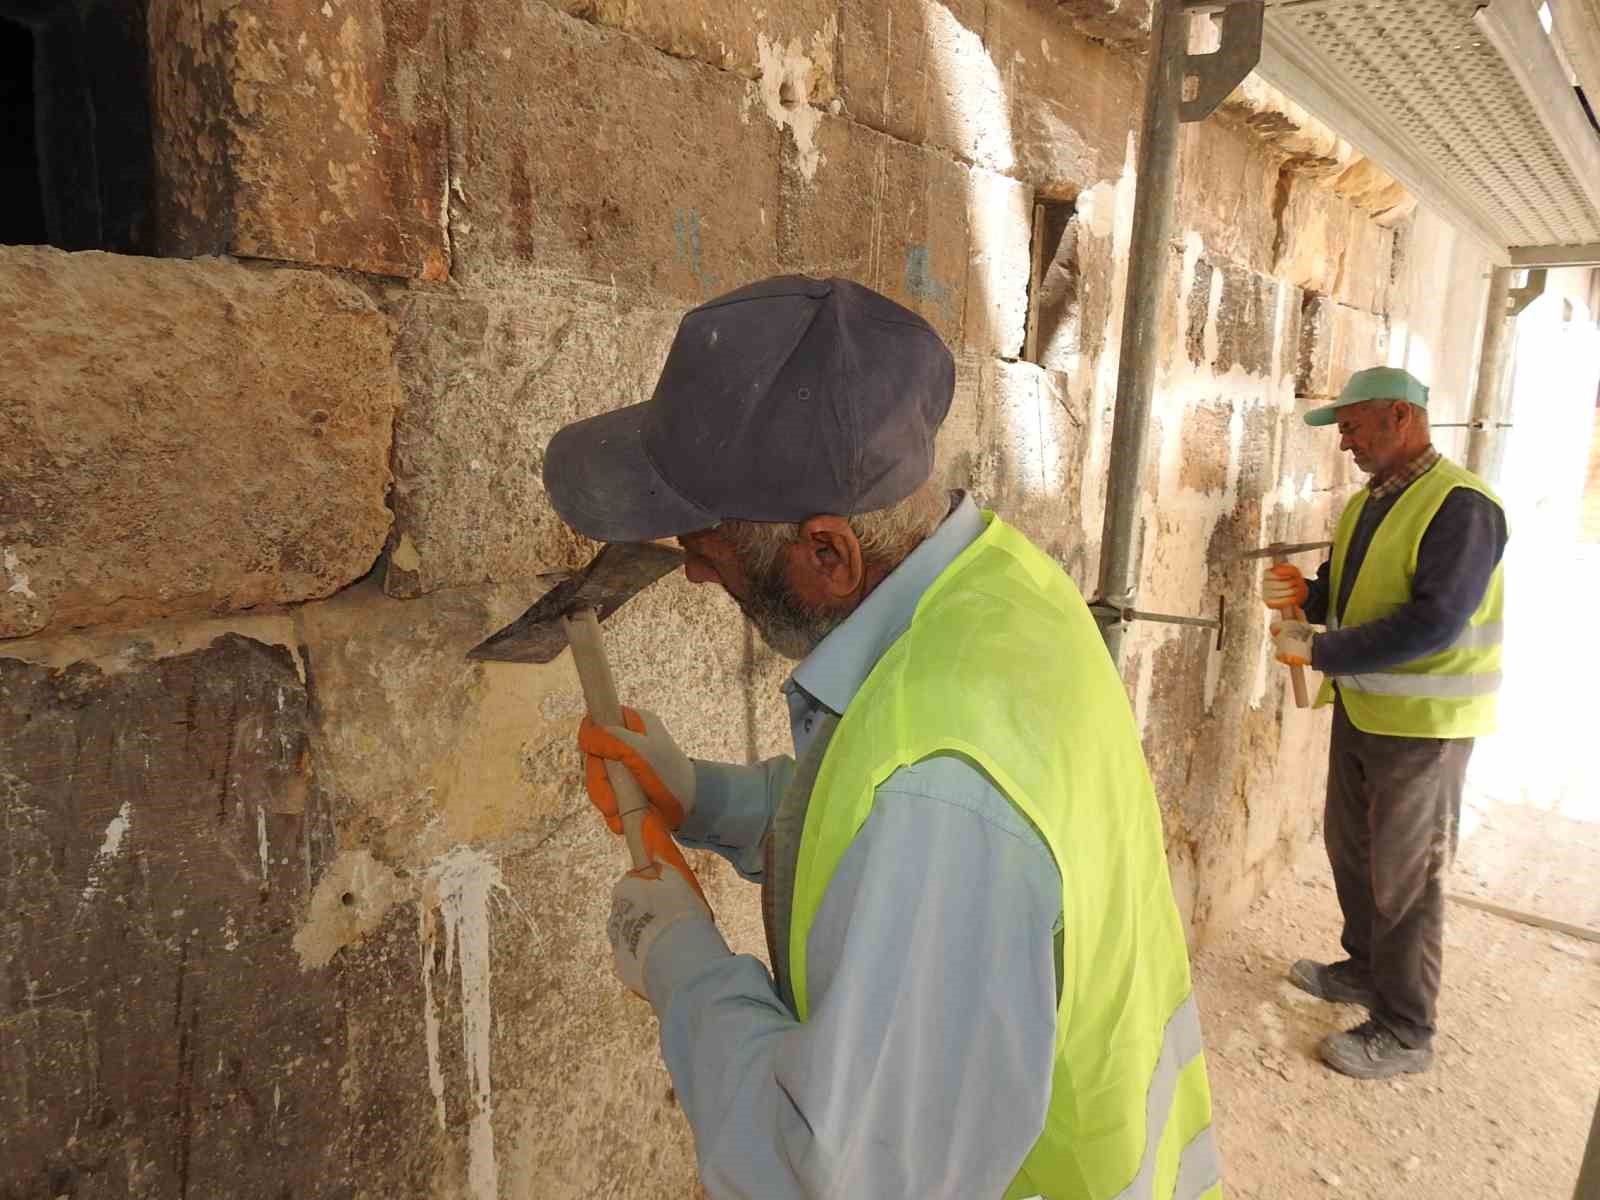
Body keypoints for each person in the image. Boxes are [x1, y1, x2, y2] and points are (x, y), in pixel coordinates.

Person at [542, 275, 1221, 1199]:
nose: (697, 575)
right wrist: (709, 800)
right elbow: (873, 839)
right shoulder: (1001, 585)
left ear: (828, 554)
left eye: (705, 545)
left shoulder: (939, 792)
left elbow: (835, 1173)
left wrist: (682, 963)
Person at [1263, 366, 1508, 1081]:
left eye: (1353, 425)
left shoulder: (1463, 507)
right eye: (1342, 429)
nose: (1344, 442)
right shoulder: (1370, 502)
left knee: (1405, 876)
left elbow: (1436, 620)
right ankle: (1365, 969)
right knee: (1352, 850)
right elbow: (1349, 591)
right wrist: (1306, 595)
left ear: (1402, 417)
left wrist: (1322, 649)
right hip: (1367, 709)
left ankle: (1406, 1028)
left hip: (1425, 724)